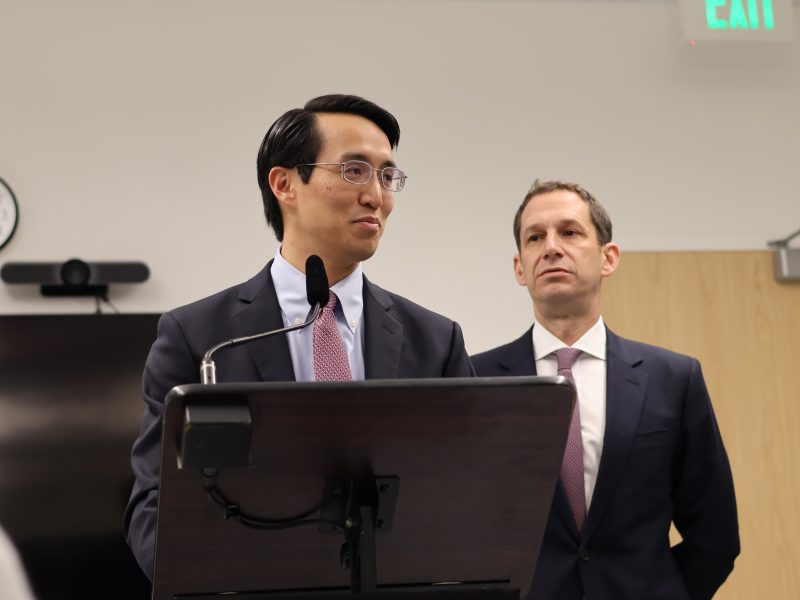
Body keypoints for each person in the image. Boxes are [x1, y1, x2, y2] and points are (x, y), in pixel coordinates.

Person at [124, 94, 473, 579]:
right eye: (354, 170)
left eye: (387, 175)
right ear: (284, 183)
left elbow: (471, 496)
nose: (377, 195)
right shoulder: (199, 338)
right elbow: (154, 509)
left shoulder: (437, 342)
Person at [471, 180, 739, 600]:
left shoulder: (673, 378)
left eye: (570, 232)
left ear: (608, 257)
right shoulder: (474, 380)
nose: (552, 247)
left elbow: (716, 533)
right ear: (520, 268)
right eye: (535, 237)